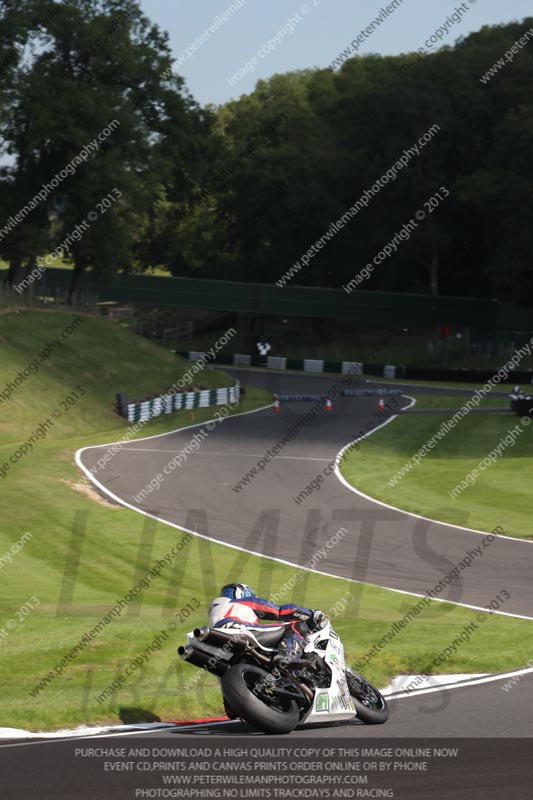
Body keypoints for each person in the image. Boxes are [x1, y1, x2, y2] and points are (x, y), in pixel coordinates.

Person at [208, 583, 326, 661]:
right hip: (239, 631)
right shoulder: (244, 602)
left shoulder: (217, 610)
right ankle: (289, 654)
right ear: (242, 593)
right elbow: (280, 611)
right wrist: (311, 614)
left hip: (217, 644)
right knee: (296, 625)